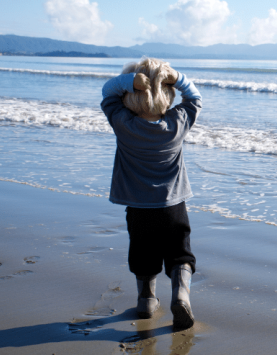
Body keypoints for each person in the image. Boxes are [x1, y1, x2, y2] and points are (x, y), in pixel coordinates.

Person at [100, 57, 202, 330]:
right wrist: (176, 77)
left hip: (138, 207)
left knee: (142, 253)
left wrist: (129, 82)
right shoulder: (177, 123)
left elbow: (107, 92)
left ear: (128, 98)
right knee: (180, 253)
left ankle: (146, 300)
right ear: (167, 95)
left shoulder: (122, 123)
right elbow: (194, 97)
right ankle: (181, 295)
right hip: (173, 206)